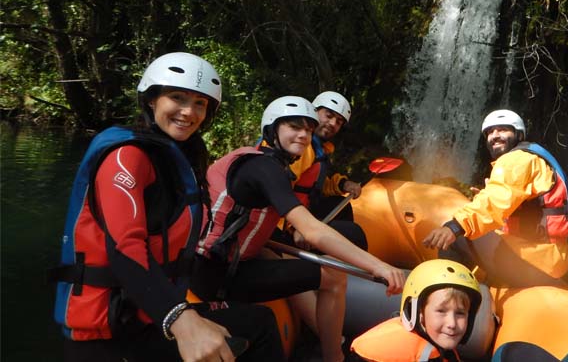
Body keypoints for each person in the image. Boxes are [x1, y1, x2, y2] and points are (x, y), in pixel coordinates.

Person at [51, 52, 283, 361]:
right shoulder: (126, 157)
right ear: (151, 100)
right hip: (111, 331)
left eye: (200, 103)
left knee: (261, 322)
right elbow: (125, 247)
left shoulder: (180, 157)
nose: (189, 112)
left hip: (148, 314)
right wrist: (180, 318)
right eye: (177, 97)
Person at [192, 95, 405, 362]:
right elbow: (313, 230)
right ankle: (334, 356)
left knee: (289, 260)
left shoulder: (264, 163)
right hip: (217, 274)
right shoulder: (263, 168)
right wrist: (378, 266)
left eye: (308, 129)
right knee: (334, 278)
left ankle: (322, 340)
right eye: (294, 127)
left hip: (230, 260)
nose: (304, 135)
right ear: (272, 129)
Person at [422, 109, 568, 286]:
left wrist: (455, 226)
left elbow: (494, 200)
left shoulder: (517, 160)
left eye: (503, 130)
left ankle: (446, 298)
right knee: (486, 234)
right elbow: (509, 200)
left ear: (518, 134)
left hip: (538, 259)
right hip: (552, 257)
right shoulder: (530, 157)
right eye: (489, 132)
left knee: (456, 240)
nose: (494, 136)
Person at [350, 259, 482, 362]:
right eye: (441, 311)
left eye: (460, 313)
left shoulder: (437, 350)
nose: (452, 323)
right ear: (418, 312)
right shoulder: (377, 357)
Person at [289, 91, 367, 249]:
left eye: (339, 121)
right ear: (314, 111)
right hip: (284, 223)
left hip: (303, 210)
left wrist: (343, 184)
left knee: (339, 205)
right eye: (328, 115)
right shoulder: (301, 146)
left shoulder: (319, 148)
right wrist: (297, 225)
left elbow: (315, 182)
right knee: (354, 234)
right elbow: (279, 190)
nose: (332, 123)